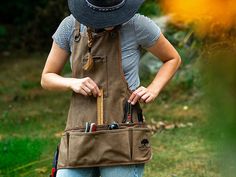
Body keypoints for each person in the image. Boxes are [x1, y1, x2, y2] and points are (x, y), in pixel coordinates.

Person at [41, 0, 181, 177]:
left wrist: (154, 88)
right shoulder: (70, 27)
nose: (109, 22)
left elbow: (172, 58)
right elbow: (47, 77)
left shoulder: (137, 24)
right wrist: (72, 83)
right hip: (80, 133)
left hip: (123, 132)